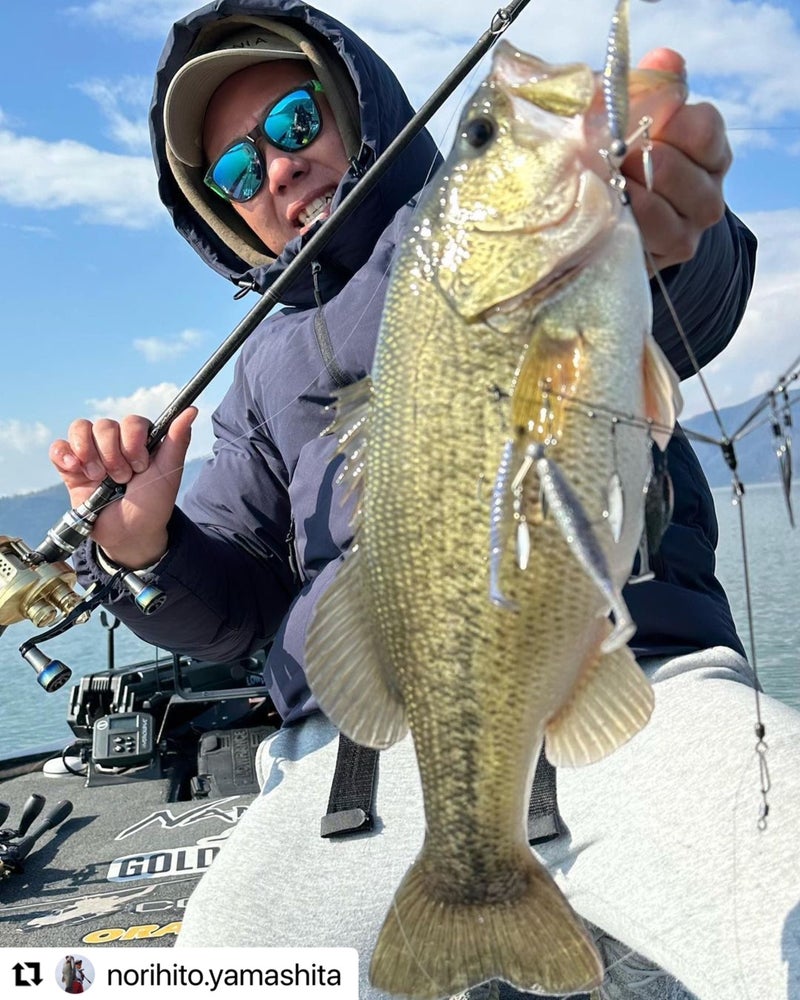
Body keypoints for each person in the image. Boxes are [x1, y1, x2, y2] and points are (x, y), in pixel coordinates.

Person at [47, 2, 800, 999]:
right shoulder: (256, 377)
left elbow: (681, 302)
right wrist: (144, 551)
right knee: (225, 973)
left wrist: (661, 226)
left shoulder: (501, 231)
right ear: (225, 212)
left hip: (634, 684)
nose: (277, 170)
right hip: (352, 769)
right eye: (236, 172)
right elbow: (235, 610)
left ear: (356, 104)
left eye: (294, 121)